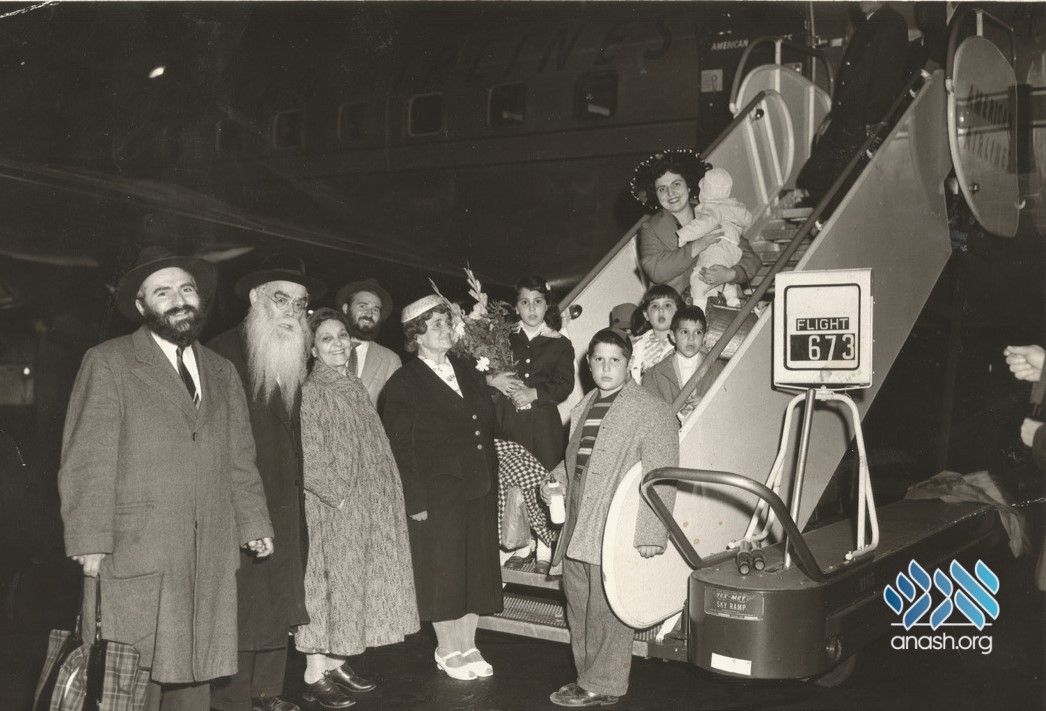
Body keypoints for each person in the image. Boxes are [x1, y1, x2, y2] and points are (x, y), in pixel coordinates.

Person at [58, 247, 274, 711]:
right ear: (141, 306)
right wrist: (89, 539)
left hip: (208, 549)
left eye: (187, 289)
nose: (179, 300)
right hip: (137, 546)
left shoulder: (222, 370)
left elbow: (240, 457)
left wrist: (254, 521)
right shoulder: (109, 361)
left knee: (195, 670)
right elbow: (87, 459)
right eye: (163, 292)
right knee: (129, 676)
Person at [208, 254, 326, 711]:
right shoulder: (221, 353)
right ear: (256, 297)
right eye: (281, 299)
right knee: (243, 604)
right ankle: (232, 700)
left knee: (278, 597)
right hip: (244, 499)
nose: (292, 311)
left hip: (284, 497)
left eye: (300, 304)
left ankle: (266, 692)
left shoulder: (290, 354)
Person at [541, 328, 679, 708]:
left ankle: (603, 683)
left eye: (614, 360)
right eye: (599, 359)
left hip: (613, 520)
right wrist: (554, 481)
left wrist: (651, 532)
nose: (606, 367)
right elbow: (575, 462)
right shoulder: (584, 405)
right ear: (588, 365)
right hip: (578, 519)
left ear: (628, 364)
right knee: (578, 604)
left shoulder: (652, 410)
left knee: (607, 608)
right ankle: (587, 678)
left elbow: (661, 476)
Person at [294, 308, 419, 709]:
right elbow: (308, 458)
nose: (337, 344)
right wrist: (341, 498)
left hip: (367, 507)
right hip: (336, 511)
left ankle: (335, 662)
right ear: (312, 350)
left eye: (342, 336)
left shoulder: (352, 384)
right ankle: (314, 674)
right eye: (326, 339)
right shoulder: (313, 390)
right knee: (328, 588)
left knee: (353, 589)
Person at [381, 295, 503, 681]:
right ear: (416, 335)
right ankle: (447, 648)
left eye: (446, 322)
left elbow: (485, 426)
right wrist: (414, 500)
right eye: (435, 324)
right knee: (444, 574)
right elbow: (400, 448)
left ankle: (469, 645)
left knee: (475, 572)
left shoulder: (467, 370)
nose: (445, 328)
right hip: (437, 496)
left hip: (478, 488)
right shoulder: (404, 382)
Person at [487, 277, 574, 573]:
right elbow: (486, 372)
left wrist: (534, 393)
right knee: (514, 483)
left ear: (547, 306)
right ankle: (522, 545)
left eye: (538, 302)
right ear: (516, 307)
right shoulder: (502, 338)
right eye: (525, 302)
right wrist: (496, 384)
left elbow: (565, 384)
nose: (532, 308)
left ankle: (545, 548)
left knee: (544, 481)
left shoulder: (560, 343)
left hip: (543, 425)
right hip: (509, 423)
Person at [795, 2, 909, 204]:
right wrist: (832, 118)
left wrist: (873, 125)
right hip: (844, 122)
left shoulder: (891, 22)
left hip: (861, 124)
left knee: (839, 183)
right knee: (813, 175)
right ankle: (837, 216)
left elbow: (886, 78)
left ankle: (841, 218)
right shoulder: (868, 25)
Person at [632, 149, 762, 299]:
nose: (670, 193)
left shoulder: (714, 210)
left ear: (688, 185)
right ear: (656, 195)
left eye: (676, 184)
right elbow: (656, 271)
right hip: (679, 305)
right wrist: (697, 246)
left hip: (722, 301)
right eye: (662, 189)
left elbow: (752, 259)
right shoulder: (650, 227)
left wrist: (731, 274)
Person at [677, 168, 753, 312]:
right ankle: (732, 298)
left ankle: (699, 312)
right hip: (733, 250)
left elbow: (703, 224)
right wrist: (735, 232)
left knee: (699, 278)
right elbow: (748, 219)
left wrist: (683, 235)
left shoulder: (713, 208)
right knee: (718, 273)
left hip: (717, 246)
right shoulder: (733, 206)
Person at [643, 305, 724, 422]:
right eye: (684, 332)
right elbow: (650, 418)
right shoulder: (654, 375)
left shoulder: (718, 370)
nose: (691, 338)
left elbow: (729, 408)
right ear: (673, 336)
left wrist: (708, 405)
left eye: (698, 332)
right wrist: (679, 415)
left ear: (705, 337)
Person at [334, 278, 401, 407]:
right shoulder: (323, 348)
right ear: (346, 308)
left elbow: (394, 408)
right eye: (362, 306)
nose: (369, 314)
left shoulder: (390, 360)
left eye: (376, 310)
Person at [629, 284, 684, 385]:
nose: (660, 310)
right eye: (654, 306)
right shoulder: (634, 345)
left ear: (678, 312)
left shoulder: (684, 343)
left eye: (667, 305)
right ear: (646, 315)